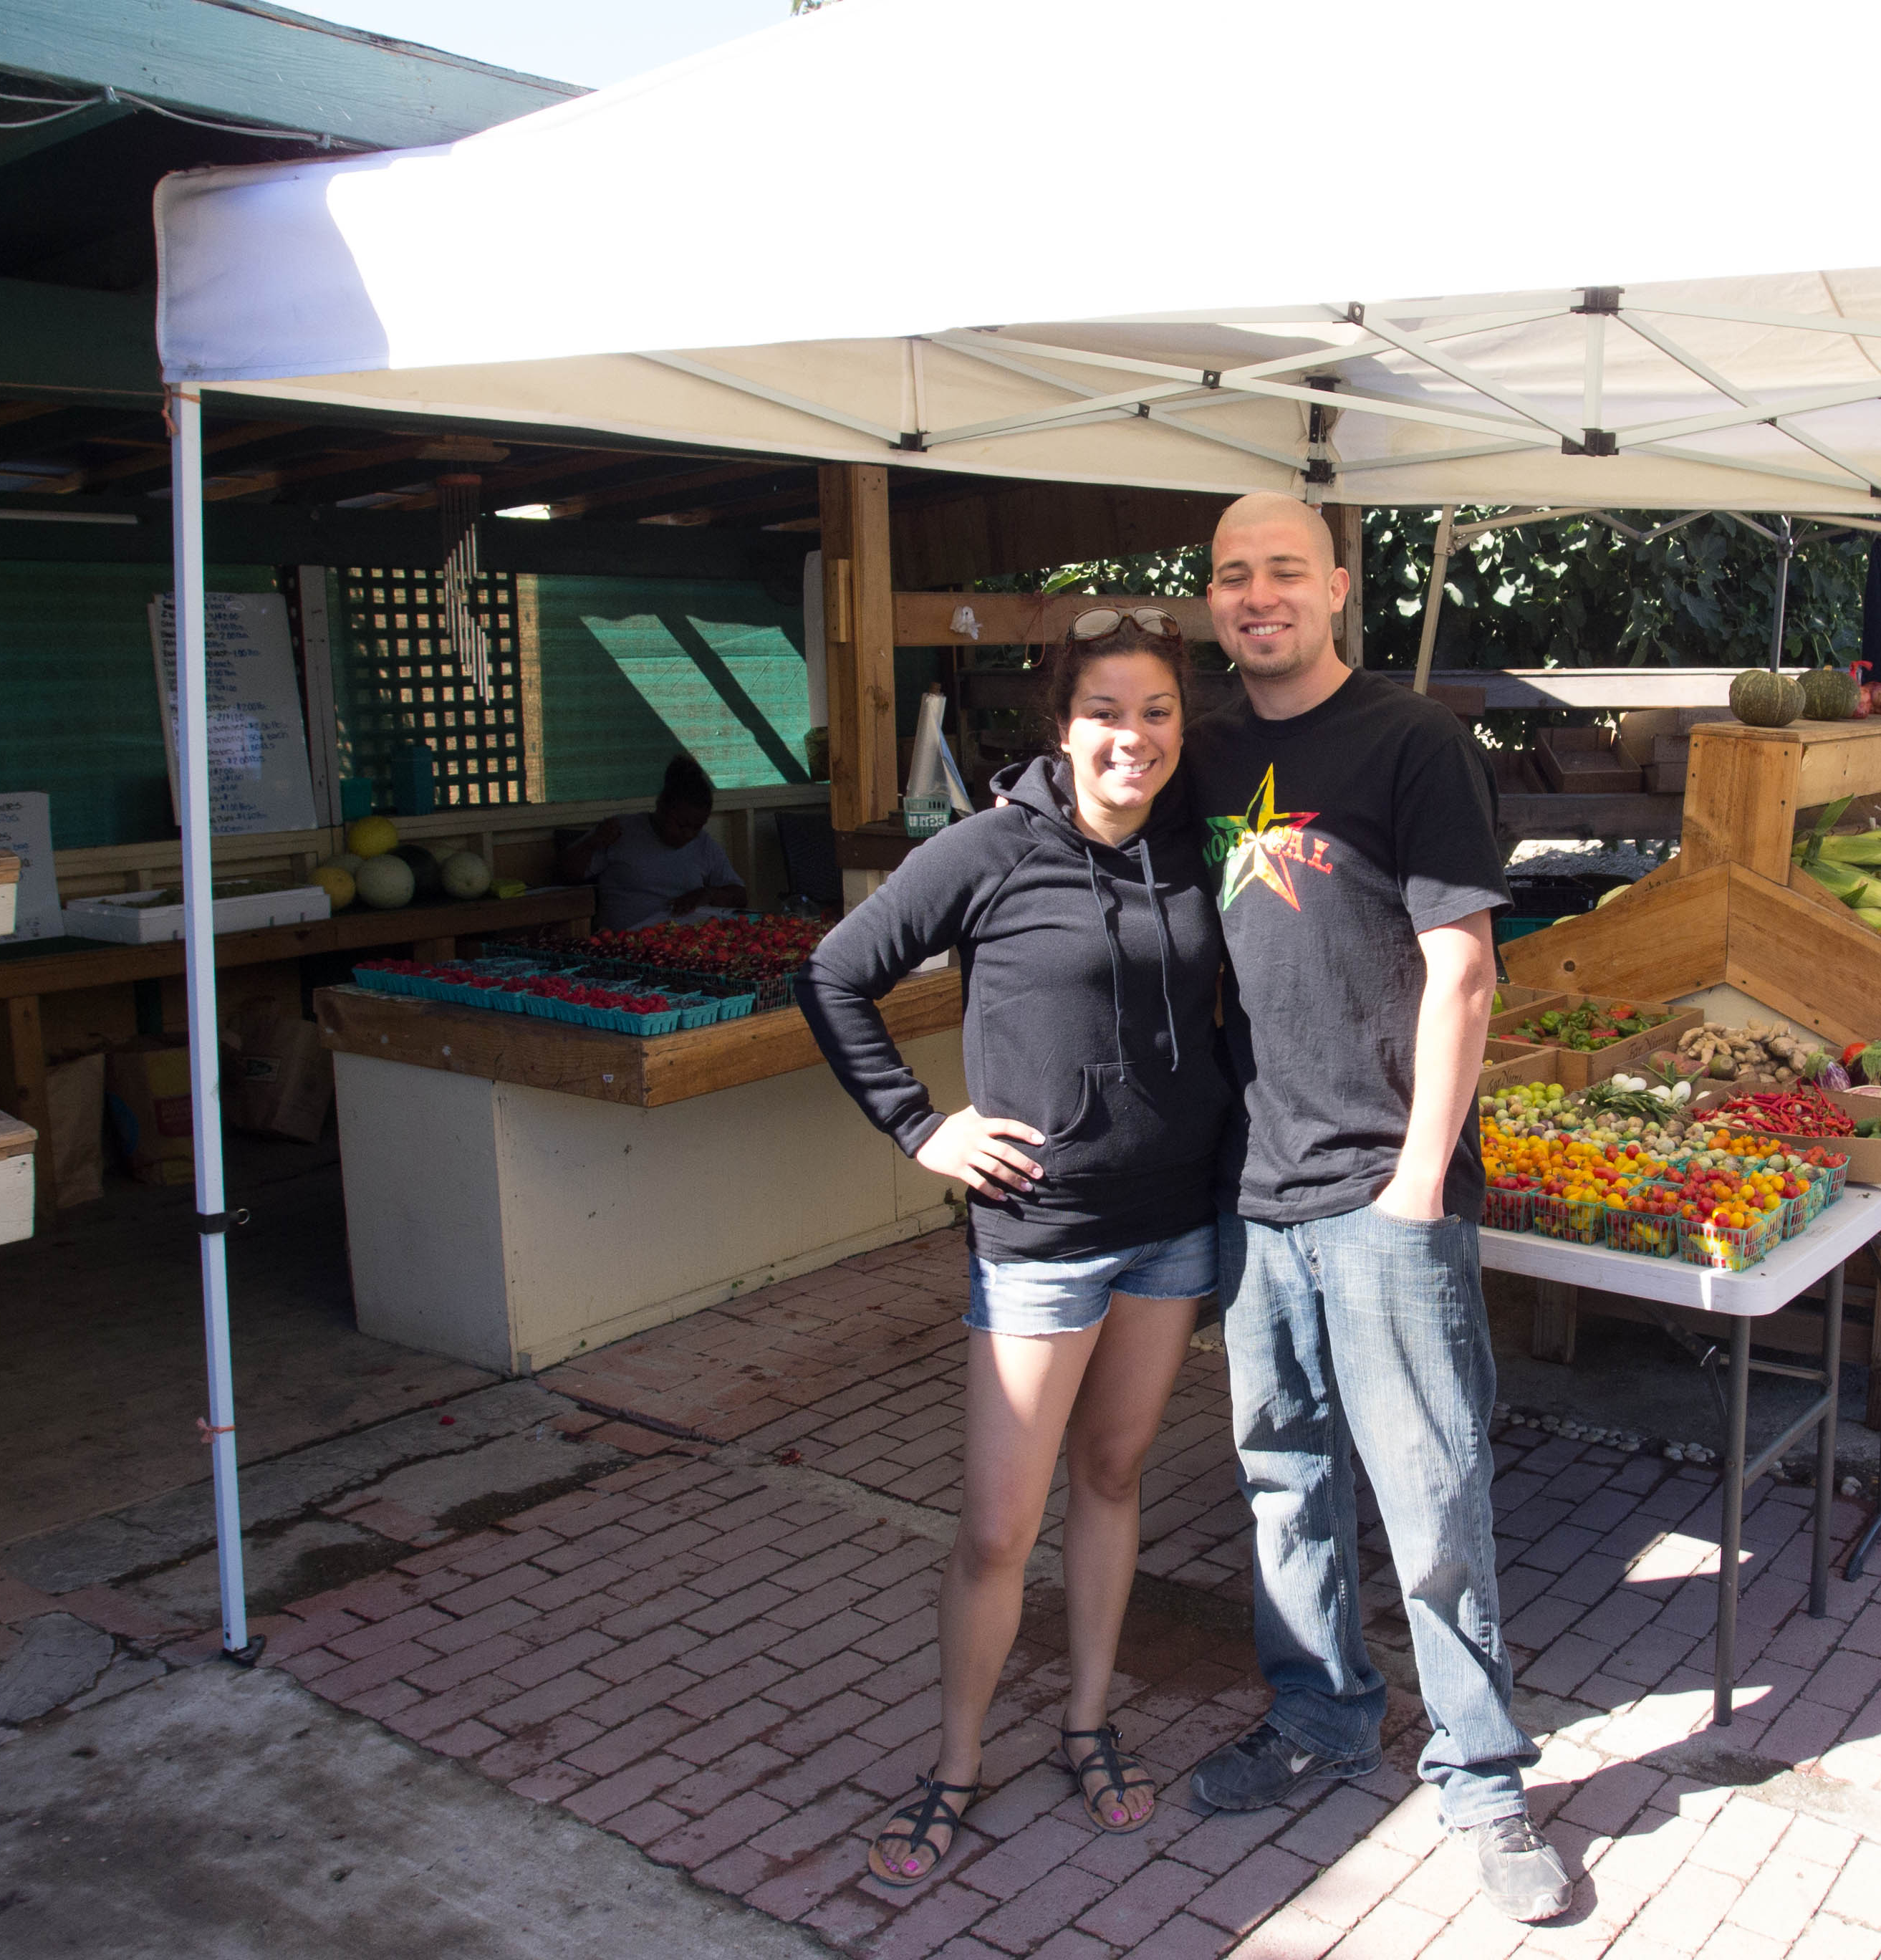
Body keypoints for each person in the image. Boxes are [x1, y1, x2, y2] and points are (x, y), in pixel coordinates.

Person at [1182, 494, 1569, 1924]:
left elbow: (1464, 970)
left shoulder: (1412, 743)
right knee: (1283, 1474)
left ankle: (1483, 1775)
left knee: (1431, 1493)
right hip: (1252, 1190)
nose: (1259, 594)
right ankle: (1321, 1713)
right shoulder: (1202, 753)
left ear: (1339, 585)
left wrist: (1416, 1180)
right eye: (1234, 575)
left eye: (1284, 569)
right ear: (1212, 599)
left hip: (1380, 1189)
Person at [796, 610, 1228, 1888]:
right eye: (1106, 712)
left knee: (1114, 1475)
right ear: (1061, 724)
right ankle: (956, 1760)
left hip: (1170, 1229)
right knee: (996, 1528)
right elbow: (833, 974)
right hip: (1041, 1238)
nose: (1132, 738)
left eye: (1156, 712)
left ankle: (1088, 1722)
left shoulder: (1196, 842)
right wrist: (919, 1125)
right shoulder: (990, 848)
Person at [559, 754, 748, 930]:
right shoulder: (620, 832)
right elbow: (565, 874)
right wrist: (591, 844)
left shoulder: (703, 844)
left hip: (682, 942)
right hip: (621, 942)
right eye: (681, 825)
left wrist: (709, 894)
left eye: (697, 827)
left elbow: (740, 896)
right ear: (661, 807)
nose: (688, 834)